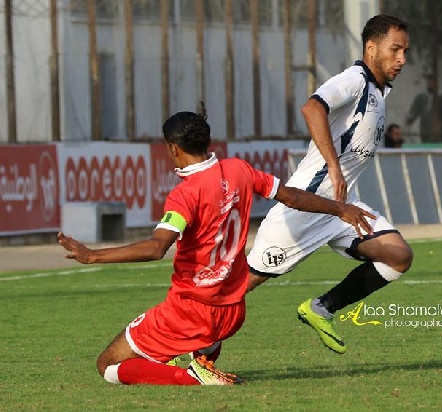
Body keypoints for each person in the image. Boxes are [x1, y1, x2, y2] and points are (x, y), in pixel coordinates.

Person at [57, 108, 376, 385]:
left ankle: (192, 376)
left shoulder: (185, 194)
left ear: (173, 149)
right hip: (232, 311)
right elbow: (291, 196)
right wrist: (340, 208)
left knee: (108, 365)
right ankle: (206, 361)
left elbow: (156, 248)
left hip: (190, 311)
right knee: (190, 337)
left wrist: (92, 255)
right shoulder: (240, 170)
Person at [246, 14, 414, 355]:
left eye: (405, 51)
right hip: (306, 205)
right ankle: (178, 340)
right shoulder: (354, 80)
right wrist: (334, 168)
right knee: (241, 286)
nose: (402, 59)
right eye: (395, 50)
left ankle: (321, 308)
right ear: (371, 47)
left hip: (342, 208)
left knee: (397, 255)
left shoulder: (379, 92)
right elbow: (311, 108)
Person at [406, 74, 436, 142]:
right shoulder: (422, 97)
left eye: (432, 82)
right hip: (424, 129)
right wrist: (410, 119)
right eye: (429, 82)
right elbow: (414, 112)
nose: (430, 84)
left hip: (436, 130)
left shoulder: (439, 98)